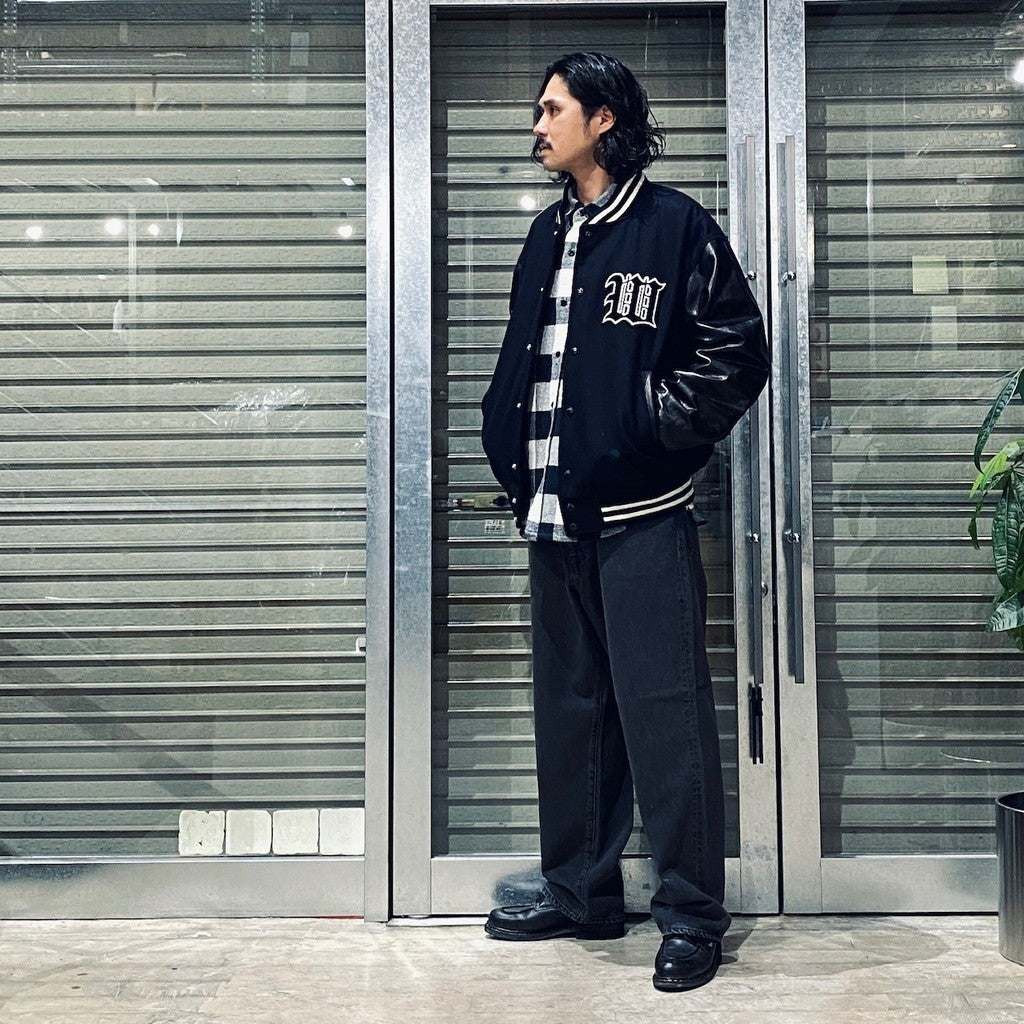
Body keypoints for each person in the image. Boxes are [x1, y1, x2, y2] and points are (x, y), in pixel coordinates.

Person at [478, 51, 769, 993]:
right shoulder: (545, 234)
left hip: (643, 519)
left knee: (665, 720)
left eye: (552, 109)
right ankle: (582, 894)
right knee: (571, 719)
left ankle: (690, 915)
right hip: (552, 515)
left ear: (603, 119)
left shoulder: (673, 226)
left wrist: (647, 430)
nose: (537, 126)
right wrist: (509, 447)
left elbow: (737, 353)